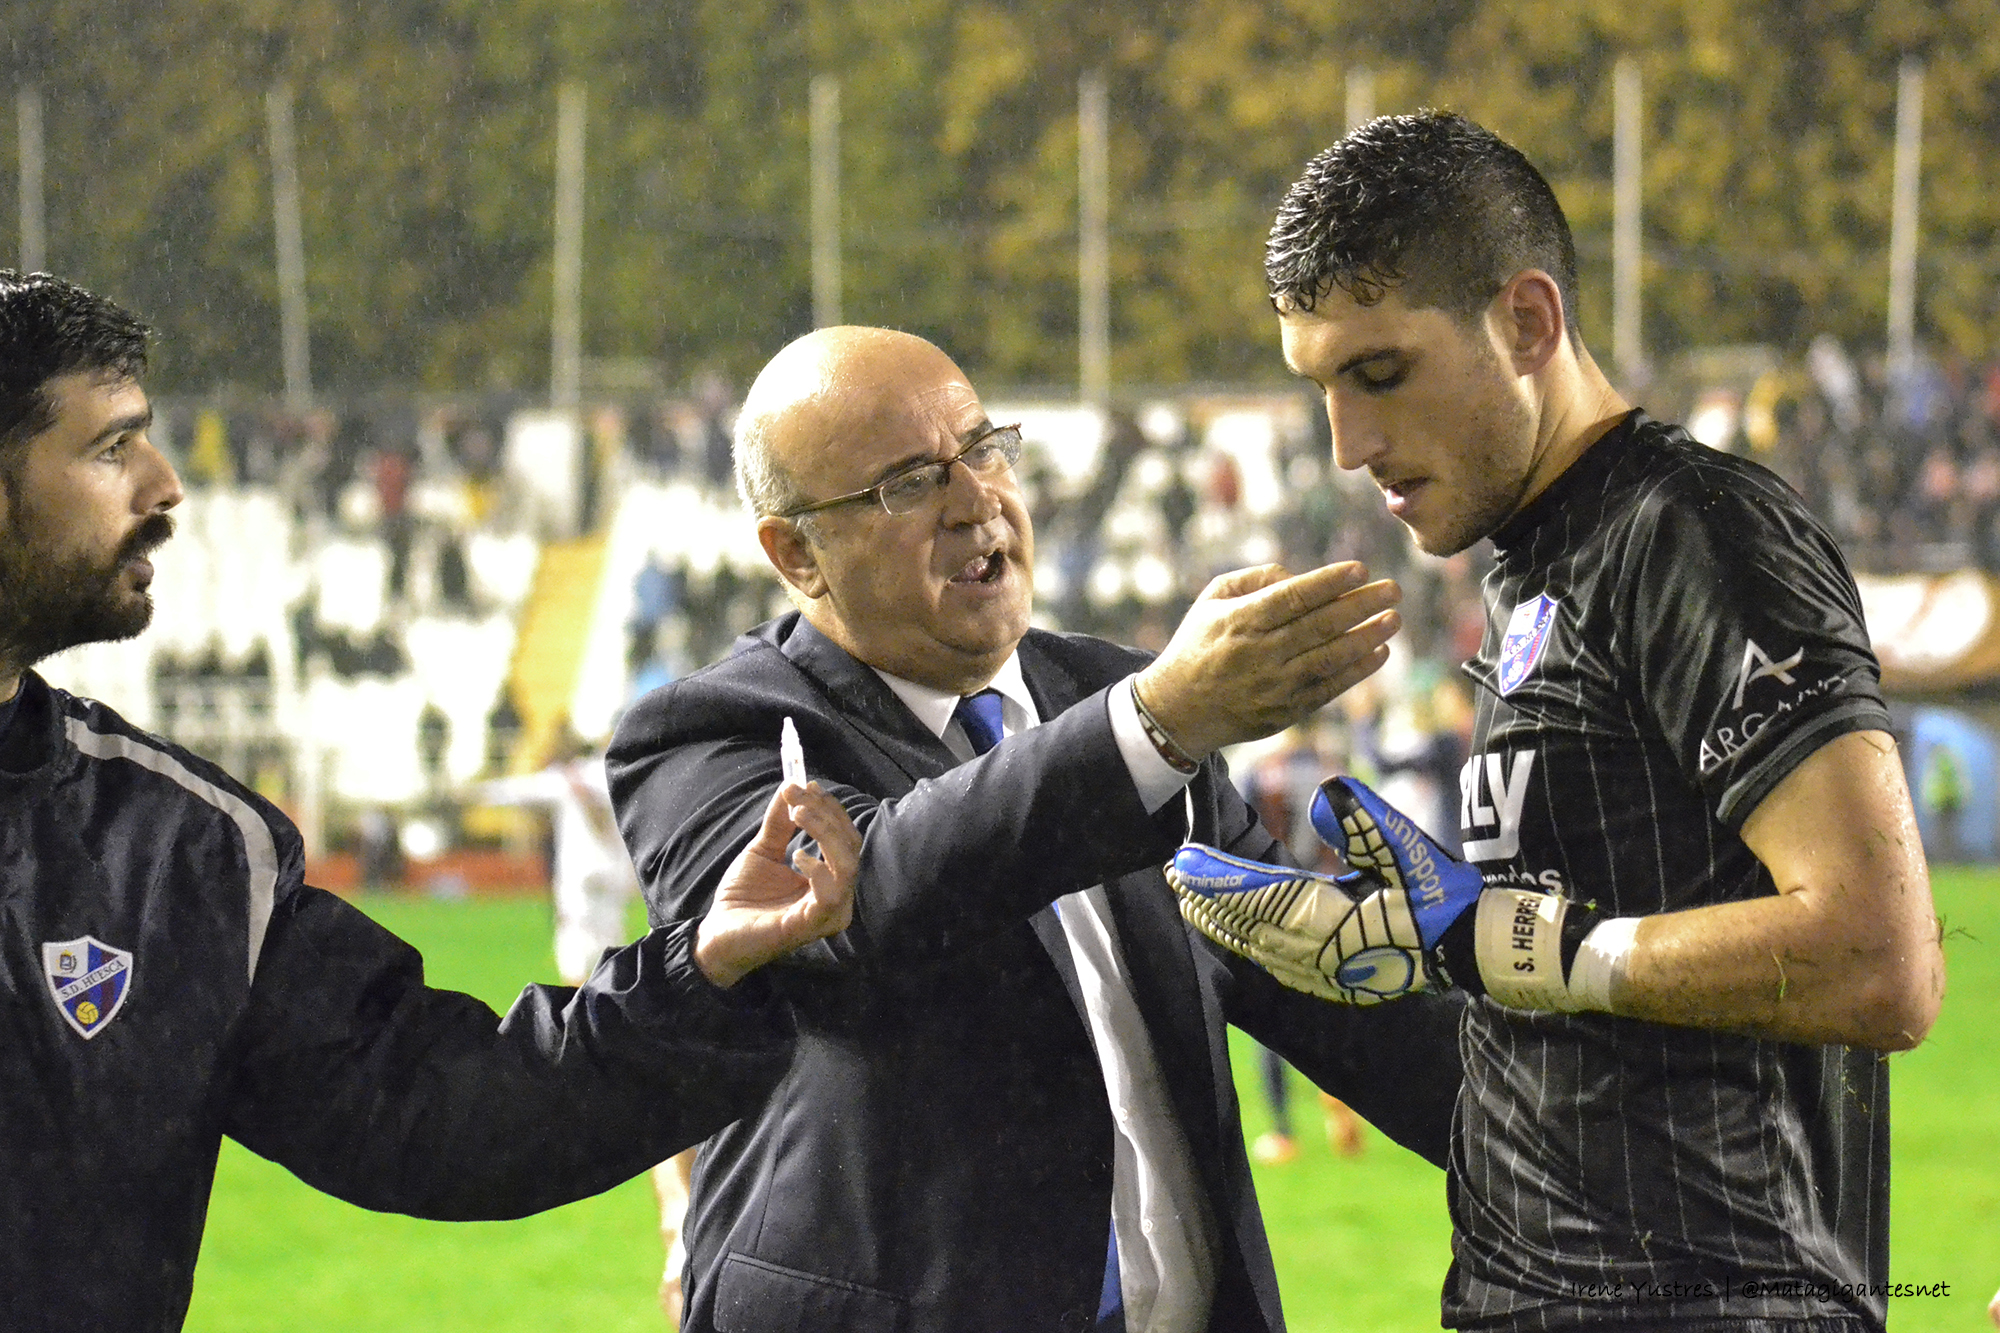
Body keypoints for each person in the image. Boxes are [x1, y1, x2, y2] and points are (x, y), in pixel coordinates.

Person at [1177, 112, 1944, 1331]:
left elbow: (1877, 956)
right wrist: (1407, 964)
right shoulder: (1535, 560)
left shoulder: (1689, 530)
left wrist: (1513, 945)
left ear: (1527, 322)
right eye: (1320, 387)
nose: (1346, 443)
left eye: (1379, 374)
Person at [0, 270, 859, 1330]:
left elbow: (442, 1107)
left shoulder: (178, 852)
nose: (166, 485)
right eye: (108, 447)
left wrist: (704, 971)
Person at [606, 325, 1466, 1333]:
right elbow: (852, 899)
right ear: (796, 551)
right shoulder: (710, 734)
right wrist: (1152, 728)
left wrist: (1587, 1136)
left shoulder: (1101, 694)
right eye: (906, 484)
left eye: (981, 448)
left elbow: (1314, 974)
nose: (976, 500)